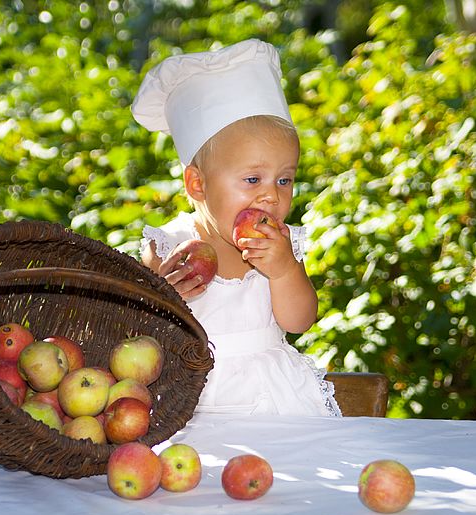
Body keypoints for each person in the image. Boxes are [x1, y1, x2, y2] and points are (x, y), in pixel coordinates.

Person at [132, 39, 340, 417]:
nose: (271, 197)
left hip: (276, 403)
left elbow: (299, 321)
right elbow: (137, 337)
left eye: (284, 180)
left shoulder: (280, 244)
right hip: (193, 403)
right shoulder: (169, 247)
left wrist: (283, 270)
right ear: (198, 184)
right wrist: (163, 300)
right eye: (252, 179)